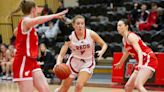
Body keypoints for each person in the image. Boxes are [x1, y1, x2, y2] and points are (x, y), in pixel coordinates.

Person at [10, 0, 68, 92]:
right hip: (23, 61)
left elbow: (17, 32)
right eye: (37, 8)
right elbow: (37, 21)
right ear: (33, 9)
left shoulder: (26, 24)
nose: (38, 10)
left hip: (32, 61)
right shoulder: (26, 21)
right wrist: (54, 16)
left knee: (45, 90)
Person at [54, 15, 107, 92]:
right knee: (63, 89)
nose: (80, 26)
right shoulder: (70, 38)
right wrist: (58, 64)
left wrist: (101, 52)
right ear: (73, 25)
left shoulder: (91, 34)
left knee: (79, 85)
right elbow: (61, 55)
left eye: (82, 23)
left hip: (87, 63)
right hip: (73, 63)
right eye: (78, 23)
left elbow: (104, 44)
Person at [114, 19, 158, 92]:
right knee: (128, 87)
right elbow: (127, 52)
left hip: (149, 59)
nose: (118, 27)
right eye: (117, 25)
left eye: (120, 25)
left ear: (126, 26)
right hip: (142, 61)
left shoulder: (131, 36)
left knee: (138, 84)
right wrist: (120, 62)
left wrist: (140, 63)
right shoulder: (124, 39)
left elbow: (139, 50)